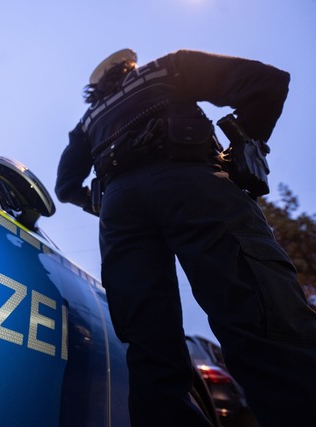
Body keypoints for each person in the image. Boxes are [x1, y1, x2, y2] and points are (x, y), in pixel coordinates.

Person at [55, 48, 316, 427]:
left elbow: (65, 186)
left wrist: (105, 202)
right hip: (194, 183)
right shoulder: (167, 67)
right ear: (130, 66)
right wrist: (245, 148)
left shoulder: (86, 121)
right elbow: (268, 82)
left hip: (120, 212)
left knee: (149, 350)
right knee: (262, 319)